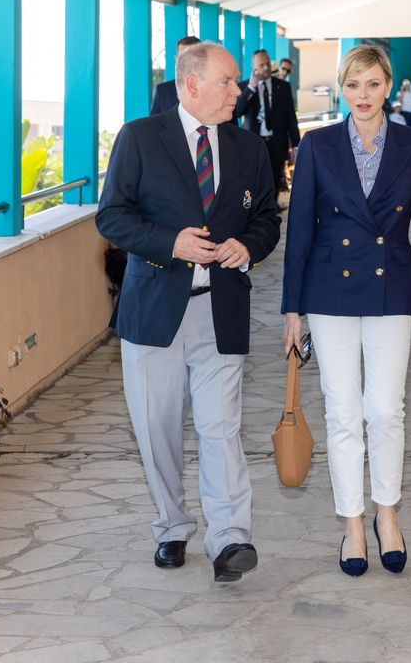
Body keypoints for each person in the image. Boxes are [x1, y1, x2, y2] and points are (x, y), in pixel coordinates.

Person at [96, 43, 281, 582]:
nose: (238, 91)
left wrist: (248, 247)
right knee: (156, 430)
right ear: (191, 85)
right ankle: (172, 526)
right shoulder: (140, 138)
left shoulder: (249, 148)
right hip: (155, 311)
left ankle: (229, 539)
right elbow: (112, 217)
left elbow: (267, 219)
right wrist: (169, 243)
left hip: (219, 309)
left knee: (222, 429)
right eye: (227, 82)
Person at [282, 45, 411, 577]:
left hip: (392, 286)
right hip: (329, 289)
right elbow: (300, 230)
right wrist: (292, 309)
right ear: (341, 87)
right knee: (343, 411)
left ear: (390, 87)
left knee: (384, 409)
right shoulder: (316, 145)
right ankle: (354, 523)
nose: (363, 95)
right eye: (353, 85)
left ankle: (387, 514)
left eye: (373, 85)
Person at [235, 49, 301, 206]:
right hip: (253, 143)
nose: (266, 68)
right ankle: (254, 210)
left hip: (277, 142)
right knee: (253, 179)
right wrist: (251, 88)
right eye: (261, 65)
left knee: (275, 179)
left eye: (267, 64)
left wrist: (296, 145)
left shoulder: (283, 87)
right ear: (253, 66)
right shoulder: (244, 87)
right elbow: (237, 112)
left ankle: (272, 211)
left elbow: (291, 117)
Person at [149, 35, 201, 115]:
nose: (188, 61)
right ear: (176, 59)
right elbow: (153, 125)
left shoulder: (214, 88)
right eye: (183, 57)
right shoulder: (163, 91)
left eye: (193, 56)